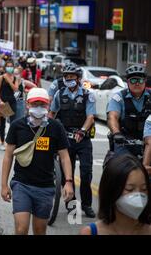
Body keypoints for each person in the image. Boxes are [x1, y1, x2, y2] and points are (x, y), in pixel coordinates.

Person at [1, 88, 74, 235]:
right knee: (21, 229)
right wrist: (4, 185)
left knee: (40, 230)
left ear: (48, 106)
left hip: (45, 187)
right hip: (21, 184)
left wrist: (68, 182)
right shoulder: (17, 126)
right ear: (27, 105)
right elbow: (8, 156)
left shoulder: (56, 127)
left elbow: (65, 156)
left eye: (43, 105)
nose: (39, 108)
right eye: (35, 104)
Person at [49, 63, 97, 218]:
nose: (69, 79)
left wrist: (82, 131)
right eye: (66, 77)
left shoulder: (87, 95)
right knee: (65, 174)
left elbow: (90, 117)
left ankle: (87, 204)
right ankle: (72, 203)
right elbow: (52, 113)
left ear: (78, 78)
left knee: (86, 173)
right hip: (65, 139)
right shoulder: (59, 94)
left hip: (82, 138)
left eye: (72, 77)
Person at [80, 154, 150, 235]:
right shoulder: (90, 232)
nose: (139, 196)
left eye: (144, 189)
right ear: (111, 190)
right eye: (129, 189)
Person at [107, 64, 151, 170]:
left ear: (145, 81)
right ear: (127, 82)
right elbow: (112, 117)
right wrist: (116, 133)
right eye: (133, 80)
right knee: (120, 169)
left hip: (148, 142)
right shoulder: (119, 97)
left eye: (140, 80)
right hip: (124, 142)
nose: (137, 83)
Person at [0, 60, 19, 147]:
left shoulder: (15, 78)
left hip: (12, 101)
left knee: (13, 123)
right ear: (5, 67)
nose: (9, 68)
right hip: (3, 102)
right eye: (8, 66)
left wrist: (8, 79)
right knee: (3, 123)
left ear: (13, 67)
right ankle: (2, 142)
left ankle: (11, 142)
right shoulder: (1, 77)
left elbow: (15, 89)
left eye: (11, 66)